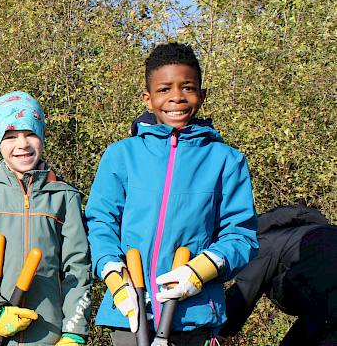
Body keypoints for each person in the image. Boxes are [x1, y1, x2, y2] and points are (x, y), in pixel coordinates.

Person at [85, 42, 259, 346]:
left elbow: (241, 236)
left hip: (195, 316)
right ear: (148, 99)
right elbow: (100, 223)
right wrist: (113, 274)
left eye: (188, 87)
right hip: (128, 314)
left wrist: (200, 271)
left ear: (202, 96)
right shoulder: (121, 155)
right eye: (164, 89)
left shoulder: (226, 161)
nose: (176, 97)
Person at [0, 91, 92, 346]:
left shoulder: (65, 197)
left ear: (42, 136)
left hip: (47, 335)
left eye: (30, 134)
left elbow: (77, 268)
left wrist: (74, 331)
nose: (22, 144)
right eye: (11, 136)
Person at [220, 205, 337, 345]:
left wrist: (219, 330)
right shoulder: (312, 235)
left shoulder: (265, 243)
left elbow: (244, 293)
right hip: (323, 305)